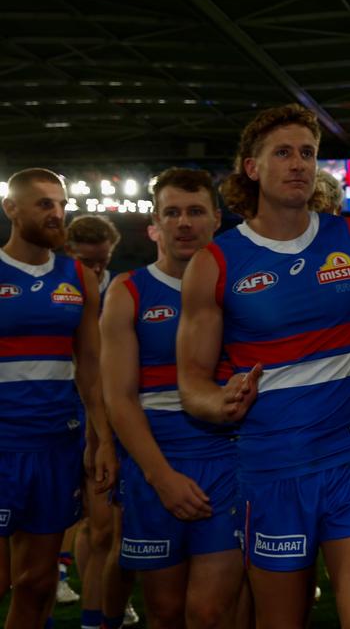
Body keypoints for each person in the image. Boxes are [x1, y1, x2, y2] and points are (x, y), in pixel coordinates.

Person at [176, 103, 350, 629]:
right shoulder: (215, 263)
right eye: (283, 153)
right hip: (273, 468)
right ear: (252, 168)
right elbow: (192, 384)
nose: (298, 163)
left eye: (307, 153)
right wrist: (219, 402)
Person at [100, 168, 245, 628]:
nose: (184, 222)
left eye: (196, 211)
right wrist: (161, 477)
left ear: (216, 219)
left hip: (228, 460)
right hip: (155, 459)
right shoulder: (128, 291)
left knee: (208, 612)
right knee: (163, 614)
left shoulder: (242, 284)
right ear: (154, 226)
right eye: (172, 213)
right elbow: (119, 398)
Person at [1, 168, 108, 628]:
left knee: (38, 582)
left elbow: (90, 364)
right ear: (12, 209)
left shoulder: (78, 277)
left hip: (56, 444)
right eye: (45, 204)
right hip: (2, 445)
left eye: (61, 204)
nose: (57, 213)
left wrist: (100, 437)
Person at [65, 213, 139, 629]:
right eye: (85, 261)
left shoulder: (122, 289)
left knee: (108, 526)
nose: (94, 270)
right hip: (59, 413)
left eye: (101, 261)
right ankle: (88, 607)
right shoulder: (58, 289)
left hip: (105, 410)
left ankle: (103, 606)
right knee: (90, 525)